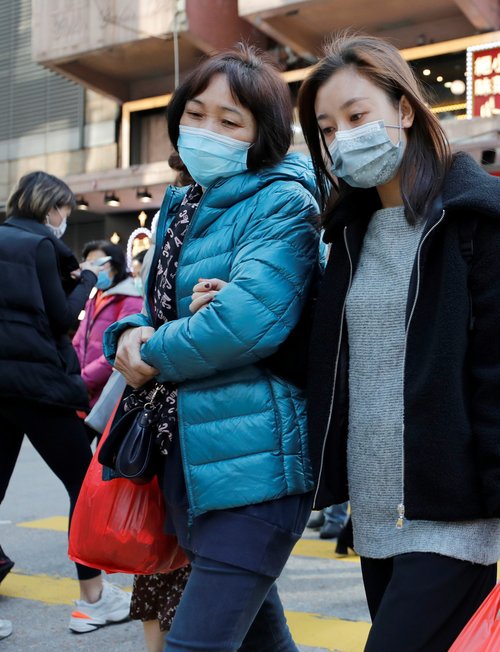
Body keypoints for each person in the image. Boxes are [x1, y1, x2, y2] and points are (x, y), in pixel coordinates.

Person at [296, 34, 500, 652]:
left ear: (405, 109)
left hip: (454, 516)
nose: (342, 139)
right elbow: (331, 361)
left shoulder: (483, 222)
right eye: (327, 128)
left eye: (357, 116)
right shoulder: (349, 236)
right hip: (377, 511)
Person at [103, 44, 320, 651]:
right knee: (259, 640)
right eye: (195, 114)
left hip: (256, 465)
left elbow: (246, 322)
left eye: (230, 121)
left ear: (261, 135)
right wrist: (125, 334)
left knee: (193, 644)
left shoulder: (280, 199)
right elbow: (155, 308)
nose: (207, 131)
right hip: (192, 459)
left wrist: (151, 353)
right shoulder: (185, 202)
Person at [0, 171, 131, 633]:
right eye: (64, 209)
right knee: (83, 482)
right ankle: (92, 597)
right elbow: (61, 316)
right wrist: (88, 280)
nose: (64, 218)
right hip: (37, 382)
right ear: (50, 205)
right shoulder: (41, 247)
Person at [72, 241, 142, 409]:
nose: (93, 269)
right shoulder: (95, 296)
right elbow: (79, 341)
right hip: (83, 392)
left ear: (116, 265)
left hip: (107, 395)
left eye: (98, 264)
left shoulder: (130, 300)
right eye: (88, 264)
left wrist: (84, 380)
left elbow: (117, 350)